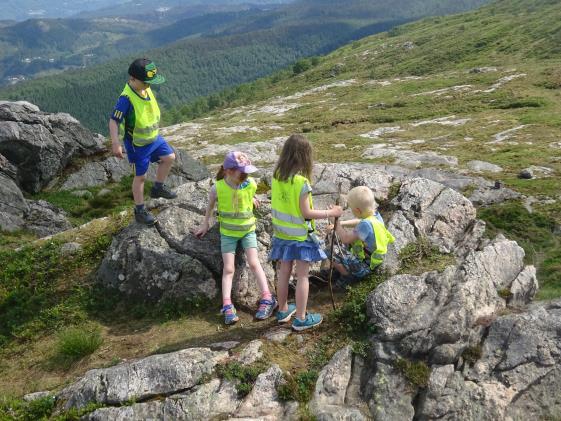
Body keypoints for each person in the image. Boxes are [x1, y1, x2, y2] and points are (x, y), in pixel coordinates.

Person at [270, 134, 343, 331]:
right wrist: (332, 212)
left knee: (284, 272)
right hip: (301, 237)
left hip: (282, 235)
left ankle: (283, 310)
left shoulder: (276, 177)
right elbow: (306, 212)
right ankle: (301, 318)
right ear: (304, 157)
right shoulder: (301, 182)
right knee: (302, 275)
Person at [194, 151, 277, 325]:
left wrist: (252, 197)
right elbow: (209, 207)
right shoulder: (217, 187)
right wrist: (205, 224)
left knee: (254, 263)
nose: (246, 175)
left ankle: (268, 298)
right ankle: (227, 304)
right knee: (229, 269)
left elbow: (247, 192)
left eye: (247, 172)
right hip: (228, 234)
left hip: (248, 230)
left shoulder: (251, 184)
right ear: (228, 171)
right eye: (243, 172)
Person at [109, 57, 177, 226]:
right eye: (146, 82)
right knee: (141, 177)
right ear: (132, 79)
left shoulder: (145, 89)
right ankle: (139, 210)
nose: (149, 85)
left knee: (170, 158)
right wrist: (116, 143)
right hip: (138, 144)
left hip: (154, 138)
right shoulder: (126, 99)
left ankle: (158, 188)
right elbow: (113, 121)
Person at [329, 185, 395, 286]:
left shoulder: (365, 225)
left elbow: (346, 239)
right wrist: (341, 224)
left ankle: (347, 276)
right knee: (341, 241)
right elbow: (360, 221)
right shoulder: (375, 216)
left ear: (358, 211)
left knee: (330, 249)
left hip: (364, 268)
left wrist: (336, 222)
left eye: (351, 209)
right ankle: (339, 270)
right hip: (373, 263)